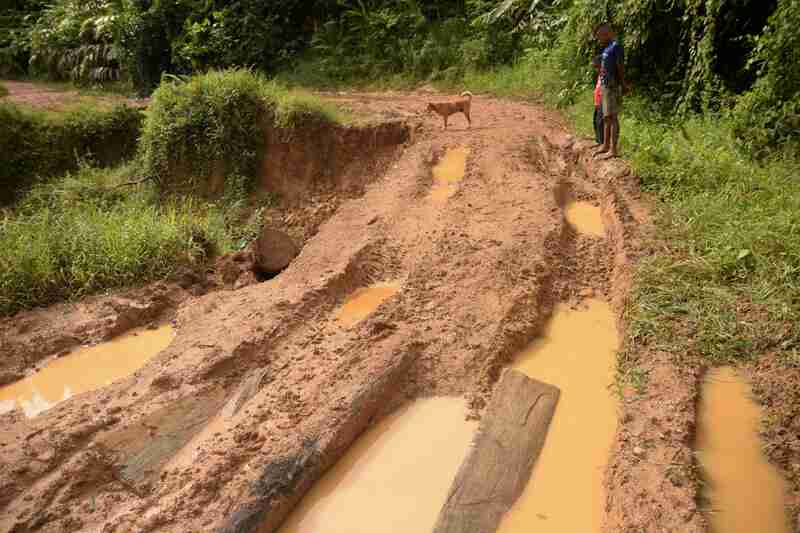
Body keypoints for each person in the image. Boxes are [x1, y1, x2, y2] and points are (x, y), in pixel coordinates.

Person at [594, 23, 629, 158]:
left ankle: (613, 149)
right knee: (606, 117)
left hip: (612, 86)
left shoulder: (616, 46)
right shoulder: (607, 48)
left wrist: (623, 84)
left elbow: (620, 66)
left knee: (613, 117)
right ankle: (605, 145)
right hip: (605, 86)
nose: (599, 39)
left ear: (607, 33)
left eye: (600, 36)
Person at [592, 54, 604, 146]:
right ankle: (598, 140)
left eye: (596, 66)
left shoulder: (604, 75)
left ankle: (601, 142)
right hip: (597, 102)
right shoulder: (600, 75)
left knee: (600, 122)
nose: (596, 69)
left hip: (602, 101)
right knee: (595, 121)